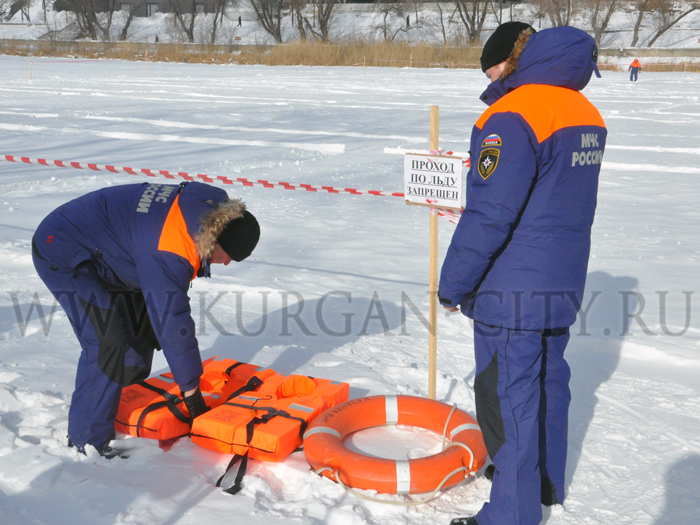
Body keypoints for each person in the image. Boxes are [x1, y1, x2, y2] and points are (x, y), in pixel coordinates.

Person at [439, 22, 606, 525]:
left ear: (505, 64)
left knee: (507, 399)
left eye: (488, 70)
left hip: (511, 289)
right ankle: (543, 482)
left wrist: (454, 283)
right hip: (560, 280)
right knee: (549, 383)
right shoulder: (583, 110)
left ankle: (511, 514)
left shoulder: (511, 115)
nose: (487, 79)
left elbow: (491, 213)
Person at [32, 181, 260, 456]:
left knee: (139, 333)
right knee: (106, 342)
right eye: (229, 256)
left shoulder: (209, 210)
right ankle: (87, 440)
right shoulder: (174, 248)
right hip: (63, 249)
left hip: (115, 252)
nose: (226, 263)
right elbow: (172, 322)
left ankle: (122, 407)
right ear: (218, 241)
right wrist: (191, 393)